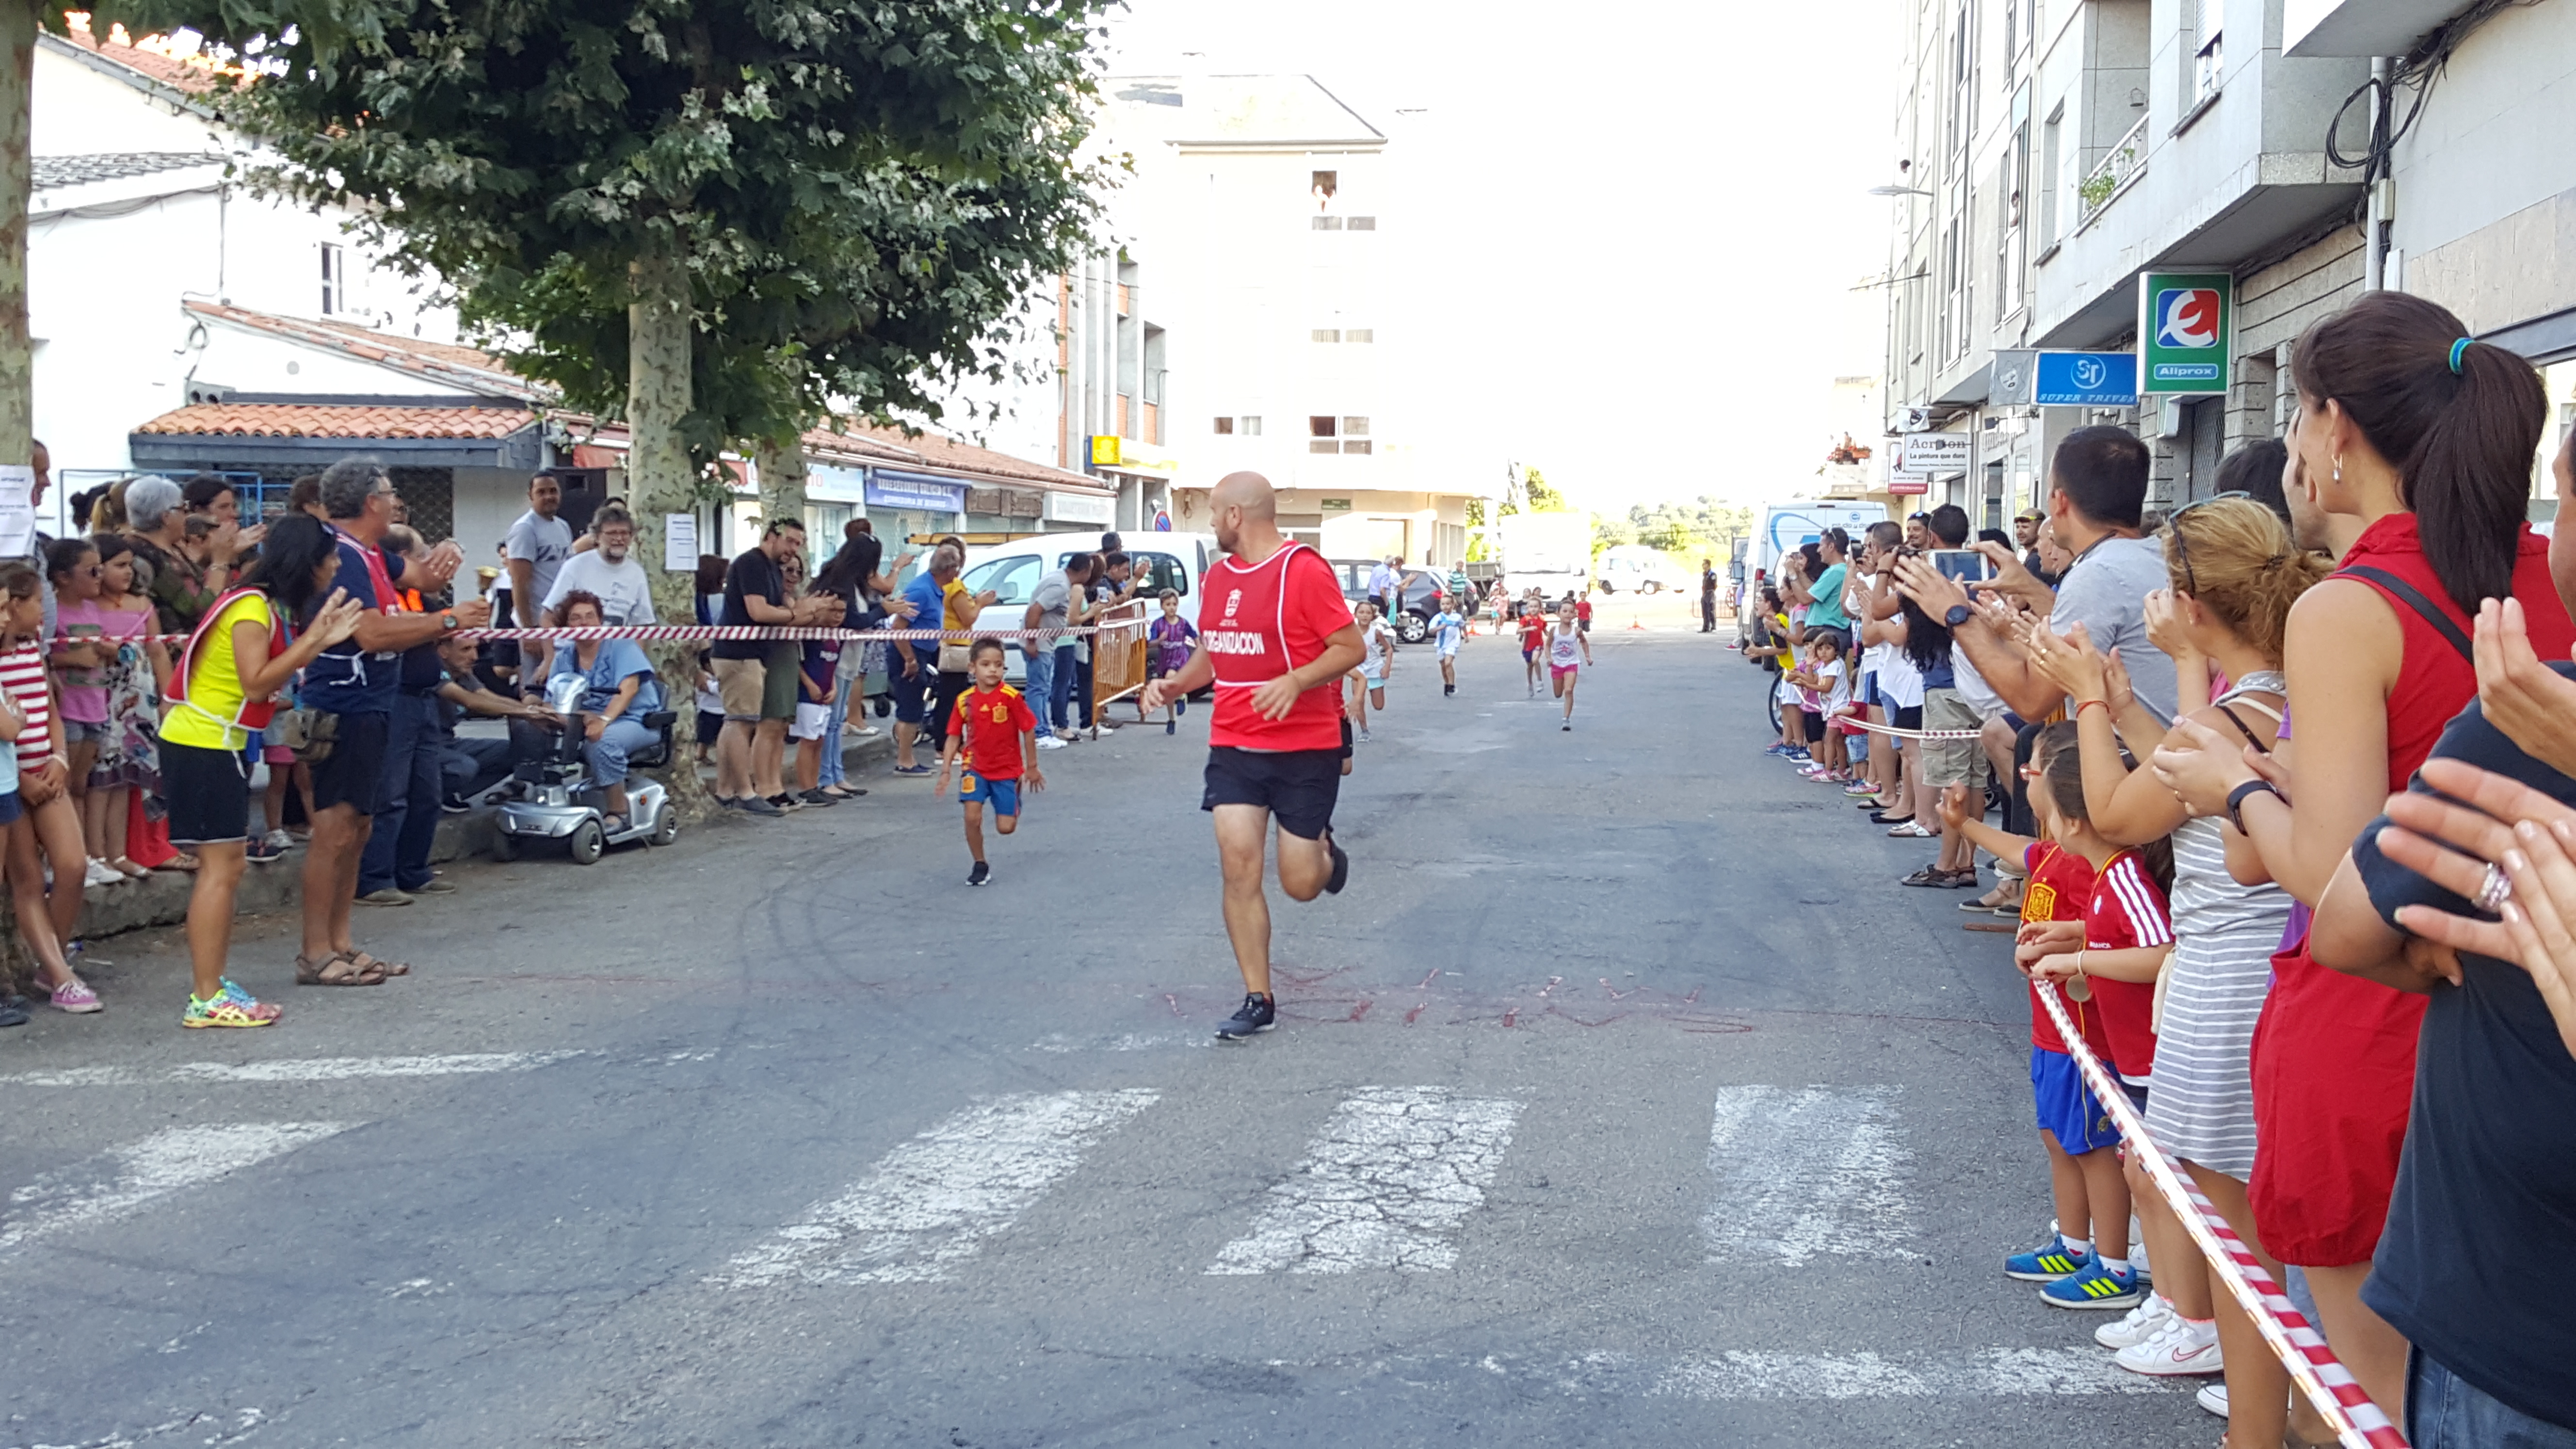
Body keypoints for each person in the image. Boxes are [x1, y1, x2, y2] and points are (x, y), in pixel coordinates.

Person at [2152, 291, 2576, 1431]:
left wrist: (2235, 789)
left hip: (2372, 1020)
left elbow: (2332, 880)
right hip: (2525, 1022)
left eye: (2296, 414)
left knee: (2381, 1402)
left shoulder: (2349, 608)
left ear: (2333, 427)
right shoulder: (2545, 576)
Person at [2024, 496, 2327, 1405]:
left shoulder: (2243, 708)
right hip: (2236, 957)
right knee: (2216, 1186)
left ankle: (2260, 1393)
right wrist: (2127, 703)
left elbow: (2119, 814)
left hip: (2229, 967)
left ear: (2190, 605)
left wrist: (2087, 697)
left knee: (2230, 1205)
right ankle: (2247, 1371)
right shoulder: (2266, 698)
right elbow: (2187, 776)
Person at [1139, 471, 1363, 1041]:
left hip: (1304, 748)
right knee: (1238, 865)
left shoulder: (1302, 571)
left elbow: (1350, 647)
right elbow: (1214, 651)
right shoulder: (1217, 578)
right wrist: (1175, 684)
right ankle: (1257, 997)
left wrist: (1296, 680)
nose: (1212, 522)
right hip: (1234, 746)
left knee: (1300, 883)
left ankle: (1325, 856)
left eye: (1215, 512)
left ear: (1236, 515)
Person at [1942, 728, 2133, 1307]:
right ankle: (2073, 1244)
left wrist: (2069, 948)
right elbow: (2017, 850)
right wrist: (1964, 826)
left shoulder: (2097, 867)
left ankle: (2114, 1264)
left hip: (2085, 1038)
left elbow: (2119, 938)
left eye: (2032, 771)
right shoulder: (2055, 853)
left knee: (2092, 1146)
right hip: (2051, 1034)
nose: (2025, 778)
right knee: (2057, 1138)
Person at [160, 514, 365, 1026]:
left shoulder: (259, 603)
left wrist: (313, 641)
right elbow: (256, 683)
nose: (336, 567)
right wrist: (315, 641)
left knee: (225, 868)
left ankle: (212, 984)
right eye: (329, 558)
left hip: (214, 741)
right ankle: (206, 997)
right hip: (203, 743)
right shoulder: (252, 608)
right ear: (306, 564)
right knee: (220, 870)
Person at [298, 458, 489, 986]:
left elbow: (422, 577)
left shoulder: (372, 552)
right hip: (346, 702)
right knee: (334, 829)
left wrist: (446, 558)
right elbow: (373, 634)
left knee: (359, 826)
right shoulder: (342, 555)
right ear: (370, 502)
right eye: (390, 493)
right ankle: (315, 951)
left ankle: (341, 942)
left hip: (376, 702)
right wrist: (448, 620)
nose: (396, 501)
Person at [1896, 426, 2178, 726]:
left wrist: (1956, 615)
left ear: (2059, 501)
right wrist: (2029, 586)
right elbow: (2093, 628)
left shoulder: (2097, 575)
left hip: (2130, 752)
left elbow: (2032, 700)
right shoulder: (2159, 555)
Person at [0, 564, 95, 1013]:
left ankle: (49, 958)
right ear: (13, 604)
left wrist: (59, 757)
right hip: (12, 780)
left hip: (46, 768)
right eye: (38, 601)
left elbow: (50, 709)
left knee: (73, 865)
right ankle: (60, 975)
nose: (43, 611)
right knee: (29, 880)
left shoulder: (31, 647)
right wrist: (21, 780)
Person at [712, 518, 831, 814]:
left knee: (738, 721)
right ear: (770, 536)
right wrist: (794, 614)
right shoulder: (752, 563)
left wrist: (799, 612)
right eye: (790, 541)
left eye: (799, 544)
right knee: (741, 723)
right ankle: (745, 792)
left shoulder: (769, 568)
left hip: (751, 654)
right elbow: (759, 611)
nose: (794, 549)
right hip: (739, 653)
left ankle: (726, 791)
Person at [546, 591, 663, 832]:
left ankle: (618, 813)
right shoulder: (563, 658)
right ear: (567, 625)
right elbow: (552, 699)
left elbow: (628, 689)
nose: (584, 623)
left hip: (635, 720)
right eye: (576, 618)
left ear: (600, 621)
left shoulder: (622, 646)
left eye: (590, 616)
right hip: (582, 721)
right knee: (533, 732)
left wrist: (603, 720)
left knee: (602, 741)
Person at [935, 637, 1044, 886]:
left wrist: (1032, 767)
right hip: (974, 767)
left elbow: (1028, 729)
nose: (993, 670)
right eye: (986, 664)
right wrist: (946, 770)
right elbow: (953, 736)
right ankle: (980, 864)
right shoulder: (964, 700)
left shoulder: (1011, 697)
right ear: (972, 668)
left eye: (998, 664)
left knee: (1006, 828)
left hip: (1006, 769)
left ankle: (1013, 797)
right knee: (972, 817)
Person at [429, 633, 558, 809]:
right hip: (427, 746)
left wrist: (534, 711)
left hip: (449, 743)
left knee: (516, 752)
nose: (474, 657)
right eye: (466, 649)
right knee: (465, 767)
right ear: (443, 651)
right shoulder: (432, 672)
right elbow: (472, 702)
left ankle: (452, 795)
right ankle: (431, 798)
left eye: (475, 649)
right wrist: (528, 714)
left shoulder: (462, 673)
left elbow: (488, 697)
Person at [129, 473, 261, 636]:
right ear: (166, 517)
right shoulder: (147, 556)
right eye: (182, 509)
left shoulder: (171, 549)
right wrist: (220, 562)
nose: (187, 516)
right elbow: (197, 609)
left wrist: (228, 553)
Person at [506, 471, 574, 684]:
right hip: (536, 622)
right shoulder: (525, 529)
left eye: (553, 491)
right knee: (536, 686)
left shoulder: (563, 526)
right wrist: (529, 630)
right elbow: (519, 583)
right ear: (531, 496)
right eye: (541, 492)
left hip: (561, 622)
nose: (548, 497)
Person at [539, 503, 656, 627]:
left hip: (619, 638)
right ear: (596, 536)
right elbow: (548, 616)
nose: (619, 538)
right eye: (612, 533)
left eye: (624, 533)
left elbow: (643, 623)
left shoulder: (636, 572)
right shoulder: (575, 566)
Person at [1023, 553, 1093, 750]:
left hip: (1046, 641)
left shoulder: (1059, 579)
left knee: (1044, 688)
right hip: (1040, 641)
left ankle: (1044, 730)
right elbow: (1035, 609)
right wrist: (1031, 640)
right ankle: (1039, 733)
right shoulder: (1060, 586)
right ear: (1084, 571)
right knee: (1038, 688)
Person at [1147, 588, 1198, 732]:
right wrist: (1159, 640)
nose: (1172, 608)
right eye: (1168, 604)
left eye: (1174, 604)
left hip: (1180, 656)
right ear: (1162, 606)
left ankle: (1181, 697)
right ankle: (1171, 718)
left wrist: (1199, 650)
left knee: (1171, 677)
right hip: (1166, 657)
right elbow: (1150, 643)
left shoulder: (1182, 623)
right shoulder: (1158, 624)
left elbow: (1194, 635)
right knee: (1168, 691)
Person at [1350, 600, 1396, 742]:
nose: (1365, 616)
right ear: (1355, 615)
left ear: (1372, 616)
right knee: (1359, 701)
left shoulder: (1376, 632)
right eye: (1361, 612)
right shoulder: (1351, 632)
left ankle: (1376, 694)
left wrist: (1387, 667)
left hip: (1375, 670)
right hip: (1359, 671)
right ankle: (1364, 730)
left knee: (1378, 706)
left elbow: (1389, 649)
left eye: (1368, 613)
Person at [1546, 596, 1593, 731]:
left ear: (1574, 615)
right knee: (1558, 694)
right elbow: (1548, 645)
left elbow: (1584, 642)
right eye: (1565, 611)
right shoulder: (1554, 630)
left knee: (1569, 690)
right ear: (1558, 614)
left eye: (1571, 612)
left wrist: (1588, 656)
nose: (1567, 614)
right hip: (1557, 664)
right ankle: (1560, 685)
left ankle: (1566, 719)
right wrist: (1549, 658)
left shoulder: (1577, 631)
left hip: (1571, 663)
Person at [1430, 596, 1466, 697]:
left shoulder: (1457, 617)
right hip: (1441, 645)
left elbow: (1463, 625)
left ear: (1452, 605)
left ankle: (1452, 684)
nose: (1445, 606)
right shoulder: (1438, 618)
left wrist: (1466, 636)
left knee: (1448, 663)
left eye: (1448, 604)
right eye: (1443, 604)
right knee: (1443, 666)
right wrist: (1439, 628)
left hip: (1453, 644)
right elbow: (1431, 630)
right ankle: (1447, 684)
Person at [1517, 598, 1547, 697]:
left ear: (1540, 608)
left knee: (1535, 660)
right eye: (1531, 607)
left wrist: (1554, 637)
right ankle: (1530, 684)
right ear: (1528, 608)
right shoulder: (1526, 619)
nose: (1533, 609)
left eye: (1536, 607)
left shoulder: (1542, 619)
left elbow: (1545, 631)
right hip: (1527, 646)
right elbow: (1518, 631)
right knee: (1530, 667)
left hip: (1538, 644)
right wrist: (1528, 629)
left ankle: (1539, 681)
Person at [1701, 559, 1720, 632]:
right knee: (1705, 611)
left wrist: (1711, 592)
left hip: (1710, 593)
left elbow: (1714, 585)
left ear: (1708, 565)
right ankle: (1706, 627)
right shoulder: (1705, 574)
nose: (1703, 566)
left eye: (1704, 564)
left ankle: (1713, 627)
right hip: (1705, 593)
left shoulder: (1712, 574)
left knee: (1711, 611)